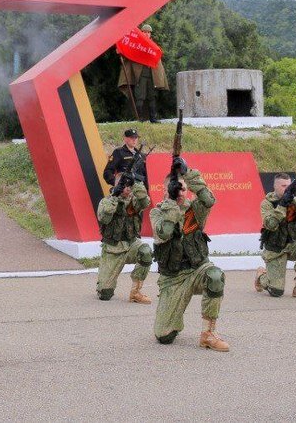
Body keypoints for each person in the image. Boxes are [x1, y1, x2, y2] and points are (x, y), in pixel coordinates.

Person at [151, 160, 228, 351]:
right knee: (164, 336)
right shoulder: (157, 213)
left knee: (215, 275)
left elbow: (209, 200)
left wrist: (188, 173)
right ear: (165, 191)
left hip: (198, 269)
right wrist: (171, 203)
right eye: (176, 189)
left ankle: (208, 334)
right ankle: (171, 320)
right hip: (173, 278)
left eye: (183, 189)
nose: (180, 192)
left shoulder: (196, 210)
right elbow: (165, 232)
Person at [254, 173, 296, 299]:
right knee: (276, 292)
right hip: (275, 249)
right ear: (275, 187)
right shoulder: (267, 204)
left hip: (292, 244)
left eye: (288, 186)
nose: (287, 188)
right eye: (283, 186)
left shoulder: (294, 202)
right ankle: (261, 276)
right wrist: (282, 205)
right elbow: (271, 224)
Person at [95, 168, 152, 303]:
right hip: (113, 249)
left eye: (129, 186)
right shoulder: (107, 201)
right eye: (124, 185)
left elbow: (145, 201)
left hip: (131, 244)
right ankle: (103, 286)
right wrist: (115, 196)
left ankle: (135, 292)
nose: (127, 189)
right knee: (105, 294)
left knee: (146, 251)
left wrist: (136, 183)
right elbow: (104, 218)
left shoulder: (135, 201)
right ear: (117, 185)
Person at [116, 24, 169, 123]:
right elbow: (129, 53)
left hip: (152, 75)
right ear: (141, 33)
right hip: (140, 75)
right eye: (144, 32)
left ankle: (153, 119)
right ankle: (140, 119)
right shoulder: (137, 45)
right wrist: (121, 51)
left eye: (149, 32)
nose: (147, 34)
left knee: (152, 96)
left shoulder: (153, 46)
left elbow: (157, 59)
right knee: (140, 96)